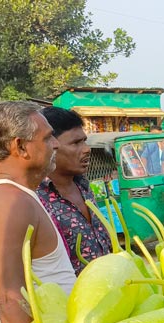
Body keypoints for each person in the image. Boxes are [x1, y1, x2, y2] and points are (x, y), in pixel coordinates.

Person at [0, 101, 76, 323]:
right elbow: (10, 299)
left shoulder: (17, 195)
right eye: (48, 138)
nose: (56, 144)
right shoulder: (8, 201)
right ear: (21, 146)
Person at [38, 106, 111, 275]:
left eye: (84, 141)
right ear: (50, 145)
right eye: (76, 143)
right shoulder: (36, 198)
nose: (87, 149)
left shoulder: (84, 186)